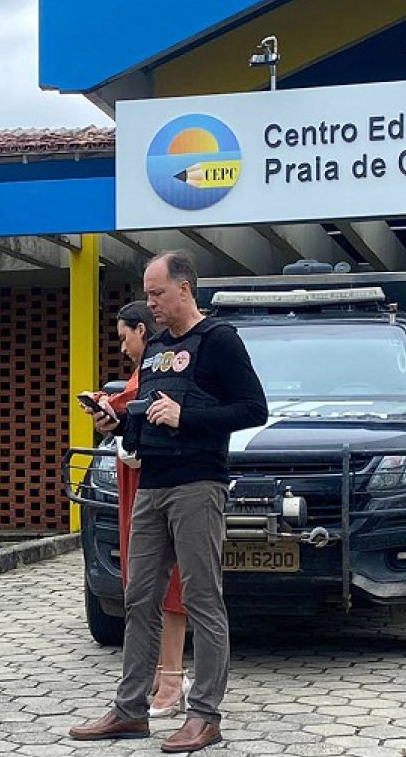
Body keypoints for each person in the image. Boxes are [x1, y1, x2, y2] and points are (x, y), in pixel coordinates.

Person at [70, 253, 268, 752]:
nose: (151, 303)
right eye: (148, 293)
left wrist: (187, 417)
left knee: (202, 599)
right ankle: (129, 710)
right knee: (138, 598)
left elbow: (253, 409)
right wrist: (117, 423)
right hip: (152, 484)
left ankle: (204, 715)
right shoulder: (156, 346)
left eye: (157, 293)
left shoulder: (219, 340)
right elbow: (148, 414)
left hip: (198, 484)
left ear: (185, 288)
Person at [91, 301, 189, 718]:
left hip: (167, 482)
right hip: (139, 485)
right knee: (144, 585)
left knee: (171, 582)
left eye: (124, 337)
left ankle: (173, 676)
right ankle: (158, 672)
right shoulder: (146, 368)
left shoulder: (166, 366)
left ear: (142, 331)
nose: (123, 347)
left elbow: (138, 400)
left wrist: (108, 404)